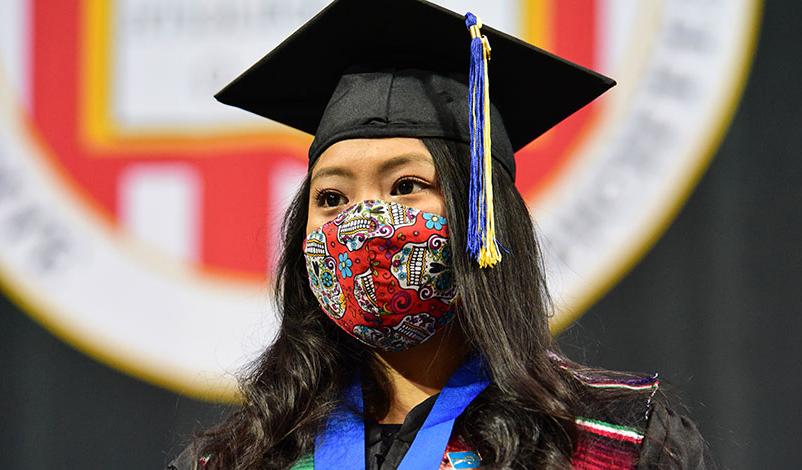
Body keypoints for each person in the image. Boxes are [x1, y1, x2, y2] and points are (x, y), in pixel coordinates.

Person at [168, 0, 715, 468]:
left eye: (406, 185)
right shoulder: (248, 455)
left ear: (482, 216)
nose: (364, 221)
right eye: (332, 197)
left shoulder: (605, 442)